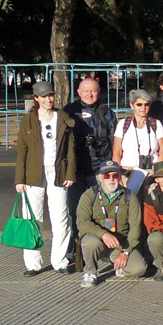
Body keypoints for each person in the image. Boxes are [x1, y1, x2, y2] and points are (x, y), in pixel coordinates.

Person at [14, 81, 76, 276]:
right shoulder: (28, 120)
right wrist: (19, 179)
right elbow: (22, 151)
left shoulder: (63, 118)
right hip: (34, 173)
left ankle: (60, 261)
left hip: (57, 172)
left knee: (61, 218)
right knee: (32, 218)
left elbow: (70, 149)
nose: (48, 100)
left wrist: (70, 173)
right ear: (36, 98)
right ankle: (33, 264)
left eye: (50, 95)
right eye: (44, 96)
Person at [77, 160, 147, 287]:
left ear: (119, 177)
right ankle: (90, 272)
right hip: (97, 240)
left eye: (115, 175)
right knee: (90, 242)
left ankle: (118, 266)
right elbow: (82, 222)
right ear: (100, 177)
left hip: (120, 243)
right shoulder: (89, 195)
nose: (111, 179)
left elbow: (135, 227)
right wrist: (103, 234)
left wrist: (126, 252)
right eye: (107, 175)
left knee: (139, 269)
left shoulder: (130, 196)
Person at [63, 78, 116, 236]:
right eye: (86, 91)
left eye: (93, 91)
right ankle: (76, 239)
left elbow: (115, 140)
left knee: (106, 207)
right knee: (75, 208)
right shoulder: (69, 111)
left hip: (100, 168)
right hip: (76, 170)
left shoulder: (106, 112)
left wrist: (112, 167)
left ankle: (109, 239)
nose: (89, 94)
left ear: (98, 92)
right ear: (79, 92)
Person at [112, 89, 163, 193]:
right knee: (130, 201)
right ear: (132, 106)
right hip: (128, 172)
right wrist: (117, 175)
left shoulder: (156, 124)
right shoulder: (123, 124)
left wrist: (161, 174)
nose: (143, 107)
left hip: (151, 173)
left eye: (146, 104)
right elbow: (117, 152)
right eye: (139, 104)